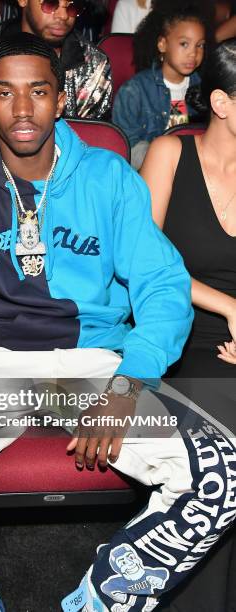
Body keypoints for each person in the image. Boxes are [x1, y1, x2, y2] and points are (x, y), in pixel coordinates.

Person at [0, 33, 236, 612]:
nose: (23, 109)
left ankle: (104, 599)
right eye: (4, 94)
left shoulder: (108, 175)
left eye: (39, 92)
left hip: (94, 372)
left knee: (223, 473)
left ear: (61, 100)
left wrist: (129, 382)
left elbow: (162, 284)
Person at [140, 38, 236, 612]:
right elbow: (146, 265)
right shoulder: (169, 153)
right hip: (189, 334)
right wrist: (229, 308)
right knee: (222, 461)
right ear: (222, 103)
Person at [0, 0, 112, 119]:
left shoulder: (94, 64)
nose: (63, 16)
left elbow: (92, 143)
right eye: (51, 3)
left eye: (72, 7)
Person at [112, 1, 210, 169]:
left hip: (196, 170)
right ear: (162, 44)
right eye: (184, 44)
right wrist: (167, 165)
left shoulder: (206, 88)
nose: (193, 53)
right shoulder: (134, 91)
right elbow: (126, 146)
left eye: (199, 45)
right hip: (149, 171)